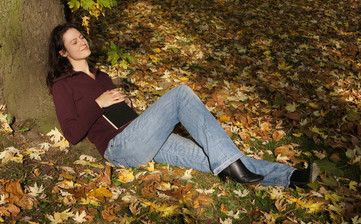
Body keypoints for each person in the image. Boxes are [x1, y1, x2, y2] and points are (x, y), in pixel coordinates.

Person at [46, 23, 318, 188]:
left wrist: (126, 104)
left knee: (214, 155)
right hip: (119, 148)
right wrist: (99, 103)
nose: (82, 42)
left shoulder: (101, 75)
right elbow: (71, 134)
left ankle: (292, 177)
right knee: (180, 94)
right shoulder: (63, 84)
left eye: (81, 36)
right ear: (63, 52)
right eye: (74, 42)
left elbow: (120, 114)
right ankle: (236, 168)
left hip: (142, 137)